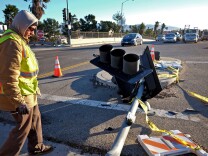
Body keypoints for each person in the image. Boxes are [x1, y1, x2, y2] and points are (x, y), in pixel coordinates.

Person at [0, 10, 53, 155]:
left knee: (35, 120)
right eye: (30, 28)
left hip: (29, 93)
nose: (32, 32)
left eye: (34, 29)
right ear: (21, 24)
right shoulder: (12, 42)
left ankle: (37, 147)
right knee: (23, 128)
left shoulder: (19, 39)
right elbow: (8, 76)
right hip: (20, 96)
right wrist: (18, 102)